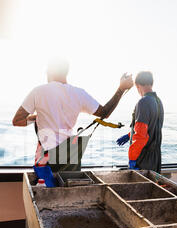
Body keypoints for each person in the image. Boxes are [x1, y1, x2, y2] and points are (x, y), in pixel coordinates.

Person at [12, 58, 134, 186]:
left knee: (46, 197)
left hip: (46, 158)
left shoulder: (38, 91)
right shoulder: (79, 93)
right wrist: (121, 89)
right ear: (66, 72)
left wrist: (36, 117)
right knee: (68, 195)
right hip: (70, 156)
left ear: (49, 72)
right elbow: (105, 113)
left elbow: (17, 120)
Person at [116, 71, 164, 173]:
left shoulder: (143, 102)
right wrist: (130, 135)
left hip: (143, 160)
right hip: (155, 159)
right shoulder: (158, 102)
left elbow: (141, 135)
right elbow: (151, 128)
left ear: (137, 86)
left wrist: (132, 159)